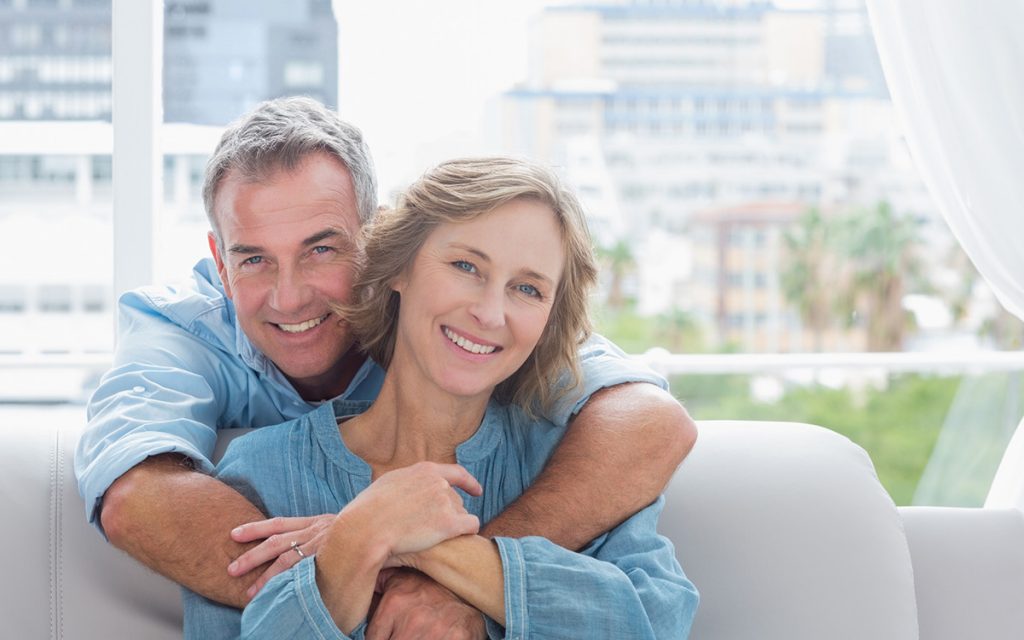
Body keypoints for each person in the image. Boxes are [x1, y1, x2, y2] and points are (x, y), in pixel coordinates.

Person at [75, 97, 696, 637]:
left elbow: (656, 607)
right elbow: (135, 495)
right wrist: (357, 541)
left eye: (321, 248)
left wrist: (450, 565)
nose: (289, 298)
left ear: (375, 246)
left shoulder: (563, 457)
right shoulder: (251, 452)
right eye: (255, 258)